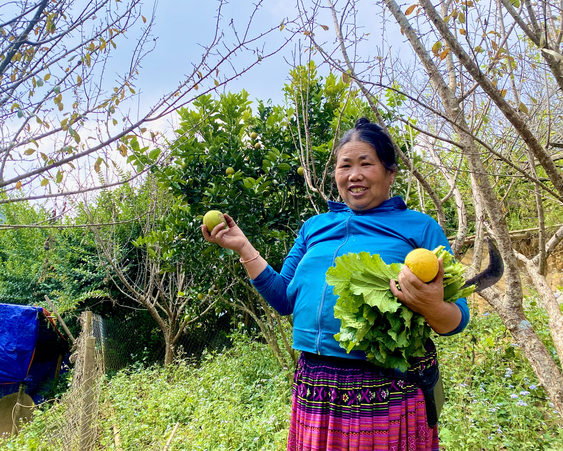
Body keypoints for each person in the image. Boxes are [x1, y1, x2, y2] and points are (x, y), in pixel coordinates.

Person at [201, 117, 469, 451]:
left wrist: (431, 306)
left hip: (388, 386)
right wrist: (243, 247)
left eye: (366, 163)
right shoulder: (314, 227)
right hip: (316, 384)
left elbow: (457, 319)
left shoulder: (420, 228)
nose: (354, 174)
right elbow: (285, 299)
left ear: (391, 173)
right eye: (345, 166)